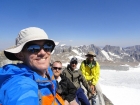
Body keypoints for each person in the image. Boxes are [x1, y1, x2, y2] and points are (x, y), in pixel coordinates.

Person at [0, 27, 64, 105]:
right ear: (20, 55)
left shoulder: (48, 72)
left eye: (47, 46)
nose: (43, 53)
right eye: (33, 48)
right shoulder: (22, 83)